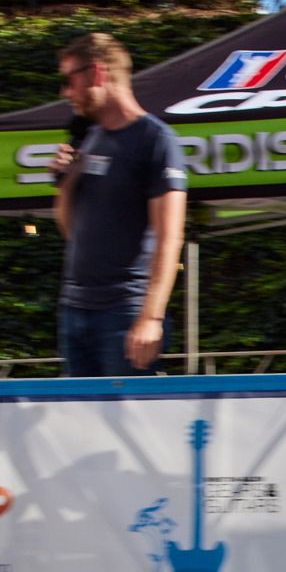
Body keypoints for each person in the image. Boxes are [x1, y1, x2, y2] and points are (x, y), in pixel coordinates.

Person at [50, 32, 187, 377]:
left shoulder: (155, 140)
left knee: (128, 428)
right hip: (75, 308)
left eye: (70, 80)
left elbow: (170, 237)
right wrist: (64, 184)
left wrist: (151, 317)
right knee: (81, 426)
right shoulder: (91, 137)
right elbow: (72, 231)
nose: (66, 92)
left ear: (96, 73)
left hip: (125, 312)